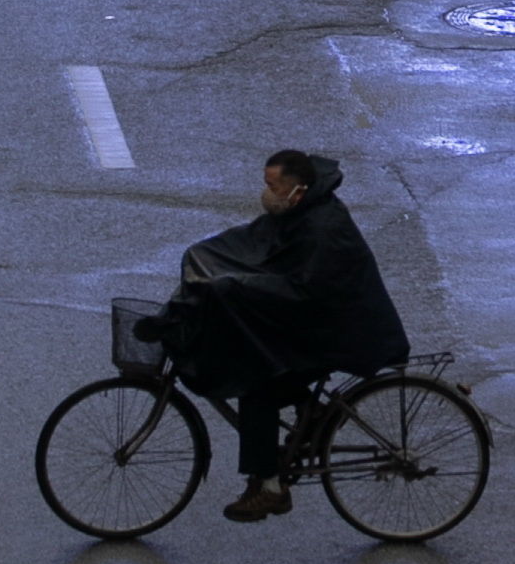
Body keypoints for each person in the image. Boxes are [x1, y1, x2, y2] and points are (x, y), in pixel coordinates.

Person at [164, 151, 409, 524]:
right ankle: (309, 415)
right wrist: (205, 257)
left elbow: (299, 290)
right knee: (260, 356)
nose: (267, 193)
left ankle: (271, 488)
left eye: (272, 186)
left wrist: (235, 285)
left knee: (258, 386)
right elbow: (254, 242)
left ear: (298, 189)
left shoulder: (322, 228)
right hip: (320, 324)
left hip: (339, 333)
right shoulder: (301, 210)